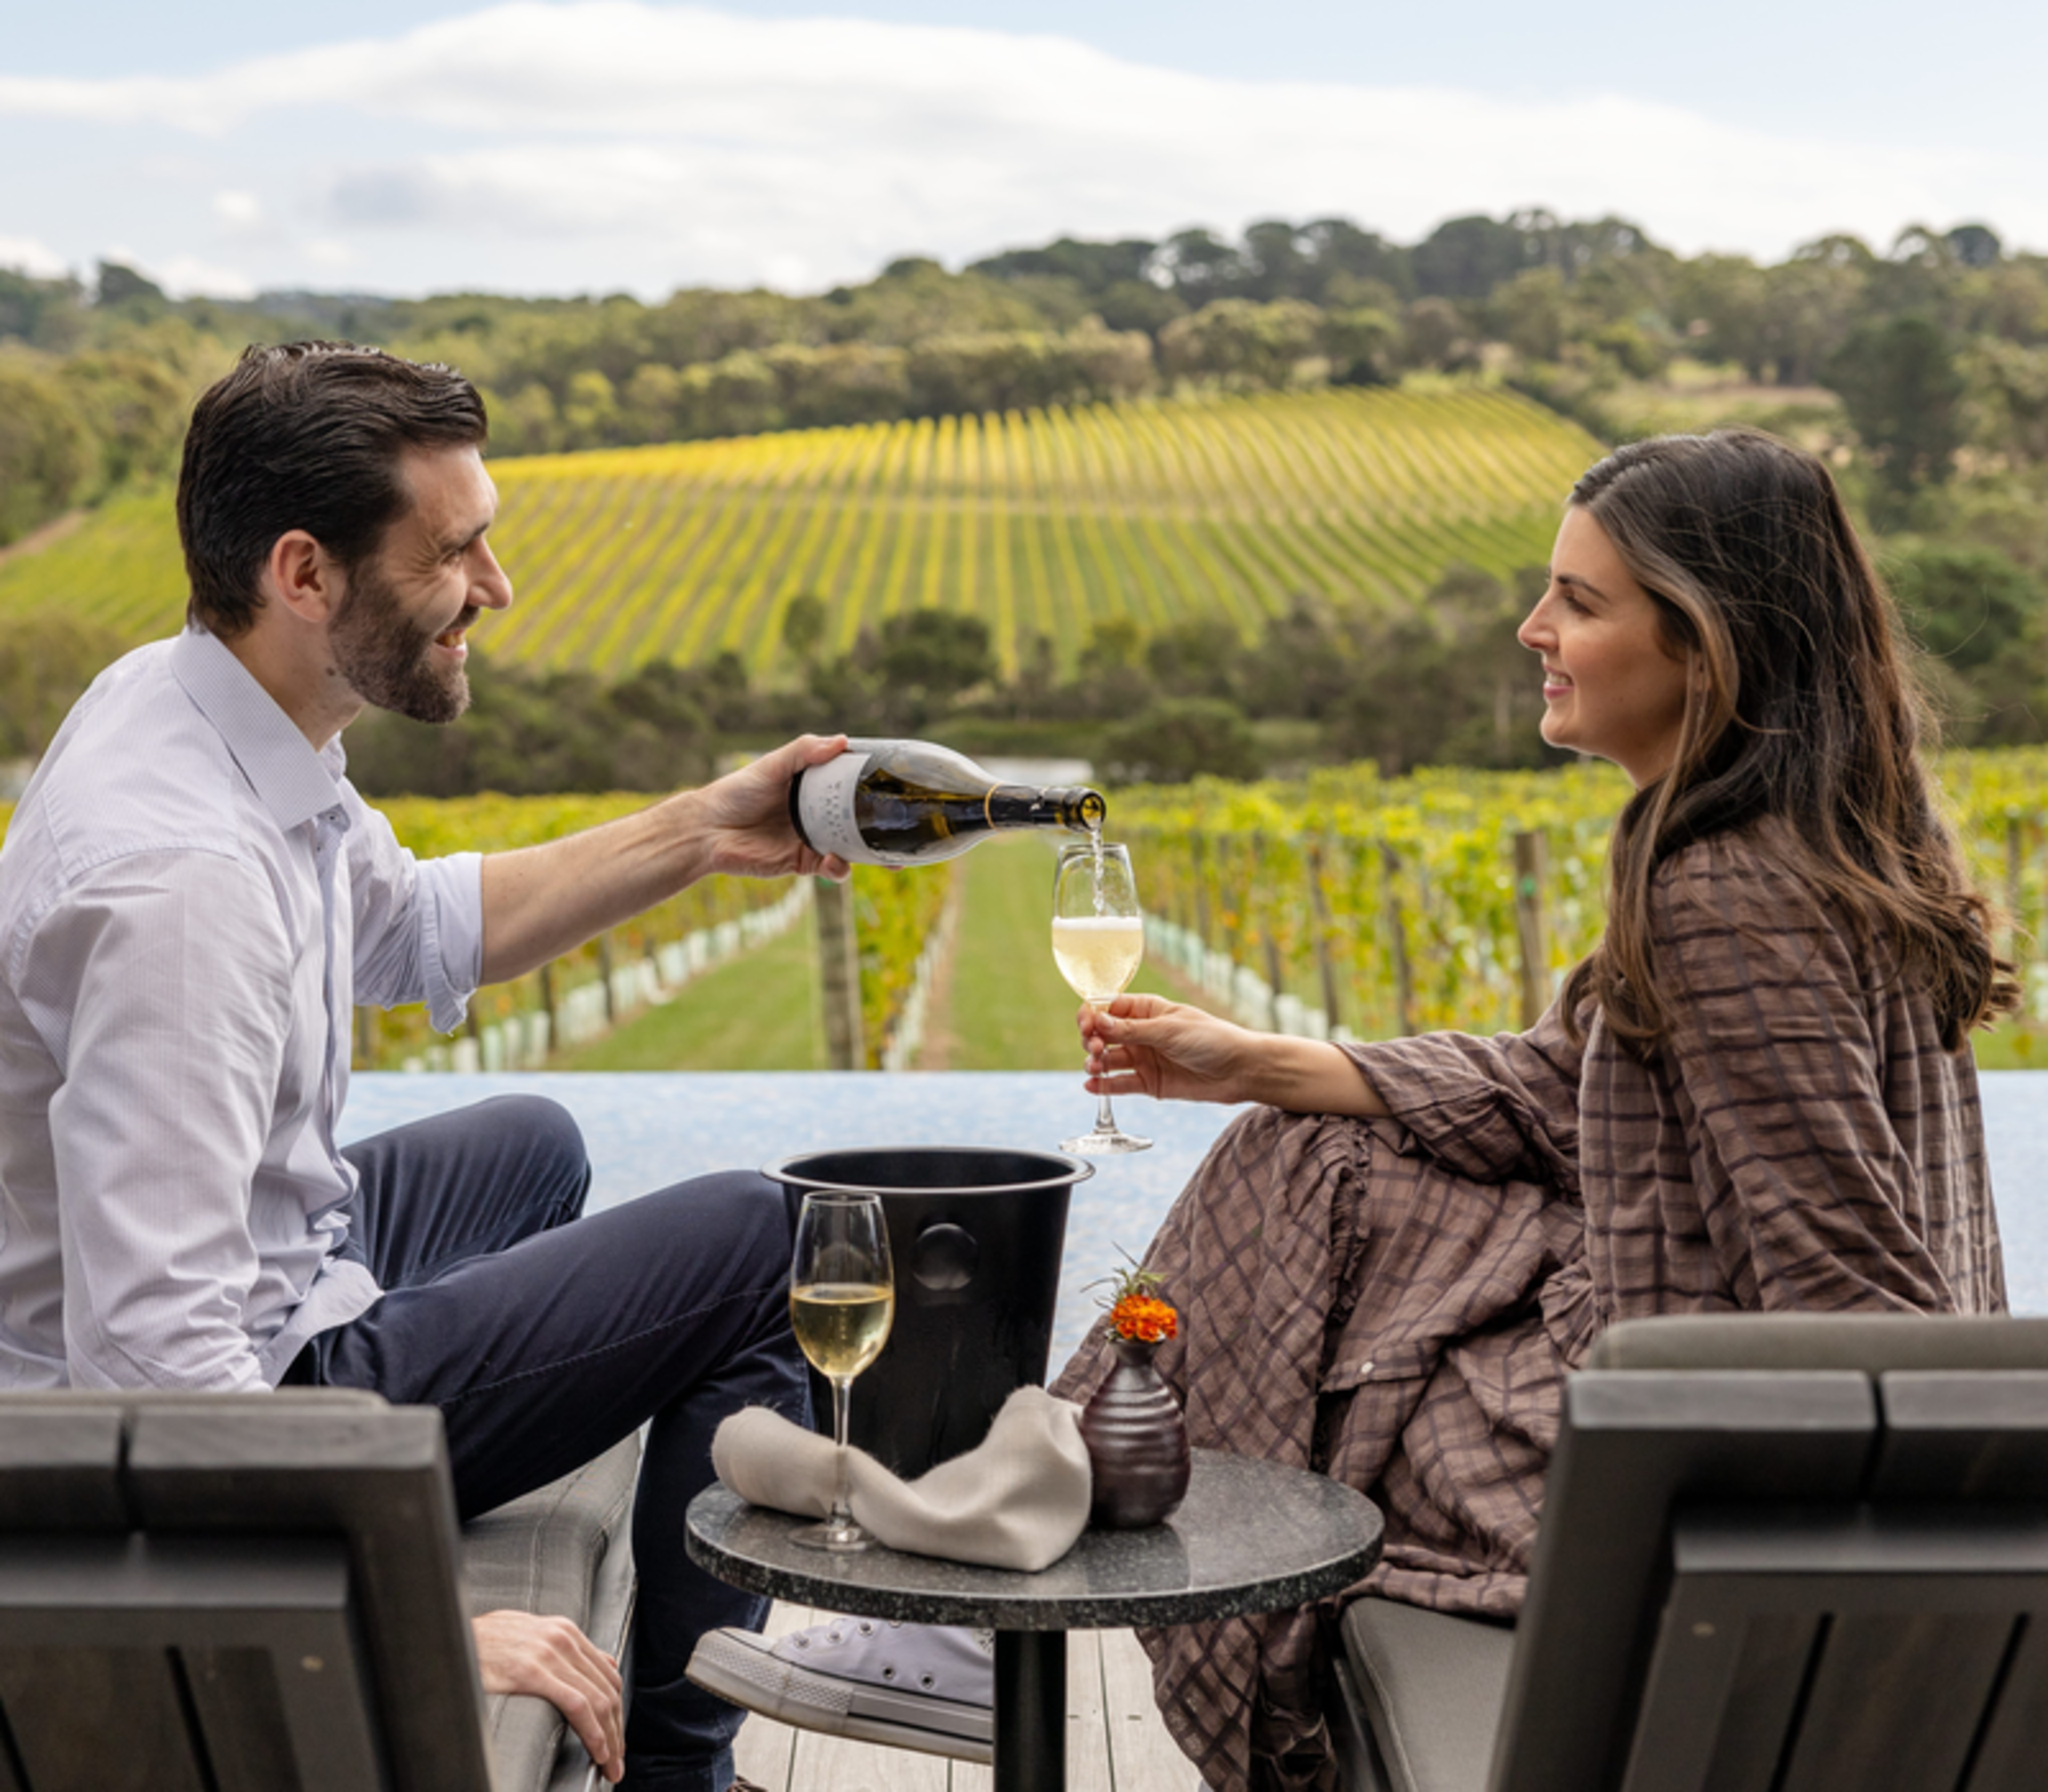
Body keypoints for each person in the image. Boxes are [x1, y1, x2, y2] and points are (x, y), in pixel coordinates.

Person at [693, 427, 2016, 1789]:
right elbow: (1581, 1093)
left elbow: (1857, 1310)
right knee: (1310, 1148)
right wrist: (1264, 1062)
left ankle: (995, 1573)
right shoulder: (1802, 844)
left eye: (1582, 600)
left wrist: (1865, 1617)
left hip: (1690, 1476)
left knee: (1330, 1264)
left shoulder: (1729, 893)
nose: (1533, 626)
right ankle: (1004, 1549)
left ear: (1708, 643)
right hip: (1695, 1408)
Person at [0, 340, 854, 1792]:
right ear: (303, 573)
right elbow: (148, 1367)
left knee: (531, 1142)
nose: (497, 586)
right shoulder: (185, 891)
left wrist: (707, 827)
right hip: (220, 1398)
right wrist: (430, 1632)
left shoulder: (202, 701)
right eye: (456, 549)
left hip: (273, 1276)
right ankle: (672, 1774)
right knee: (773, 1242)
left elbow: (412, 928)